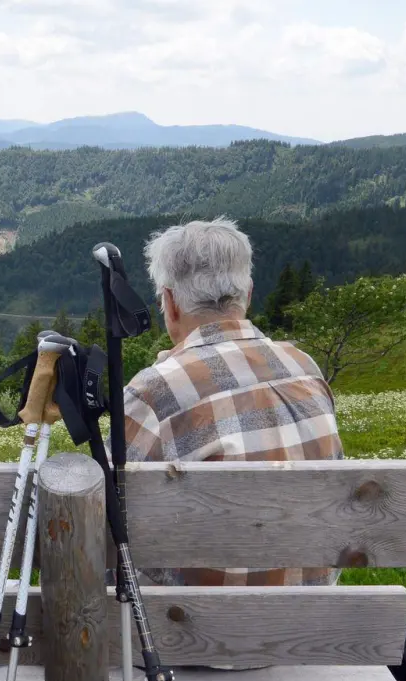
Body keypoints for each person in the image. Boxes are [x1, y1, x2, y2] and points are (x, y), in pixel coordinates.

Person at [123, 216, 344, 591]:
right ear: (249, 294)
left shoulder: (153, 391)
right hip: (314, 625)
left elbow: (114, 527)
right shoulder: (304, 368)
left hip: (194, 635)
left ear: (170, 302)